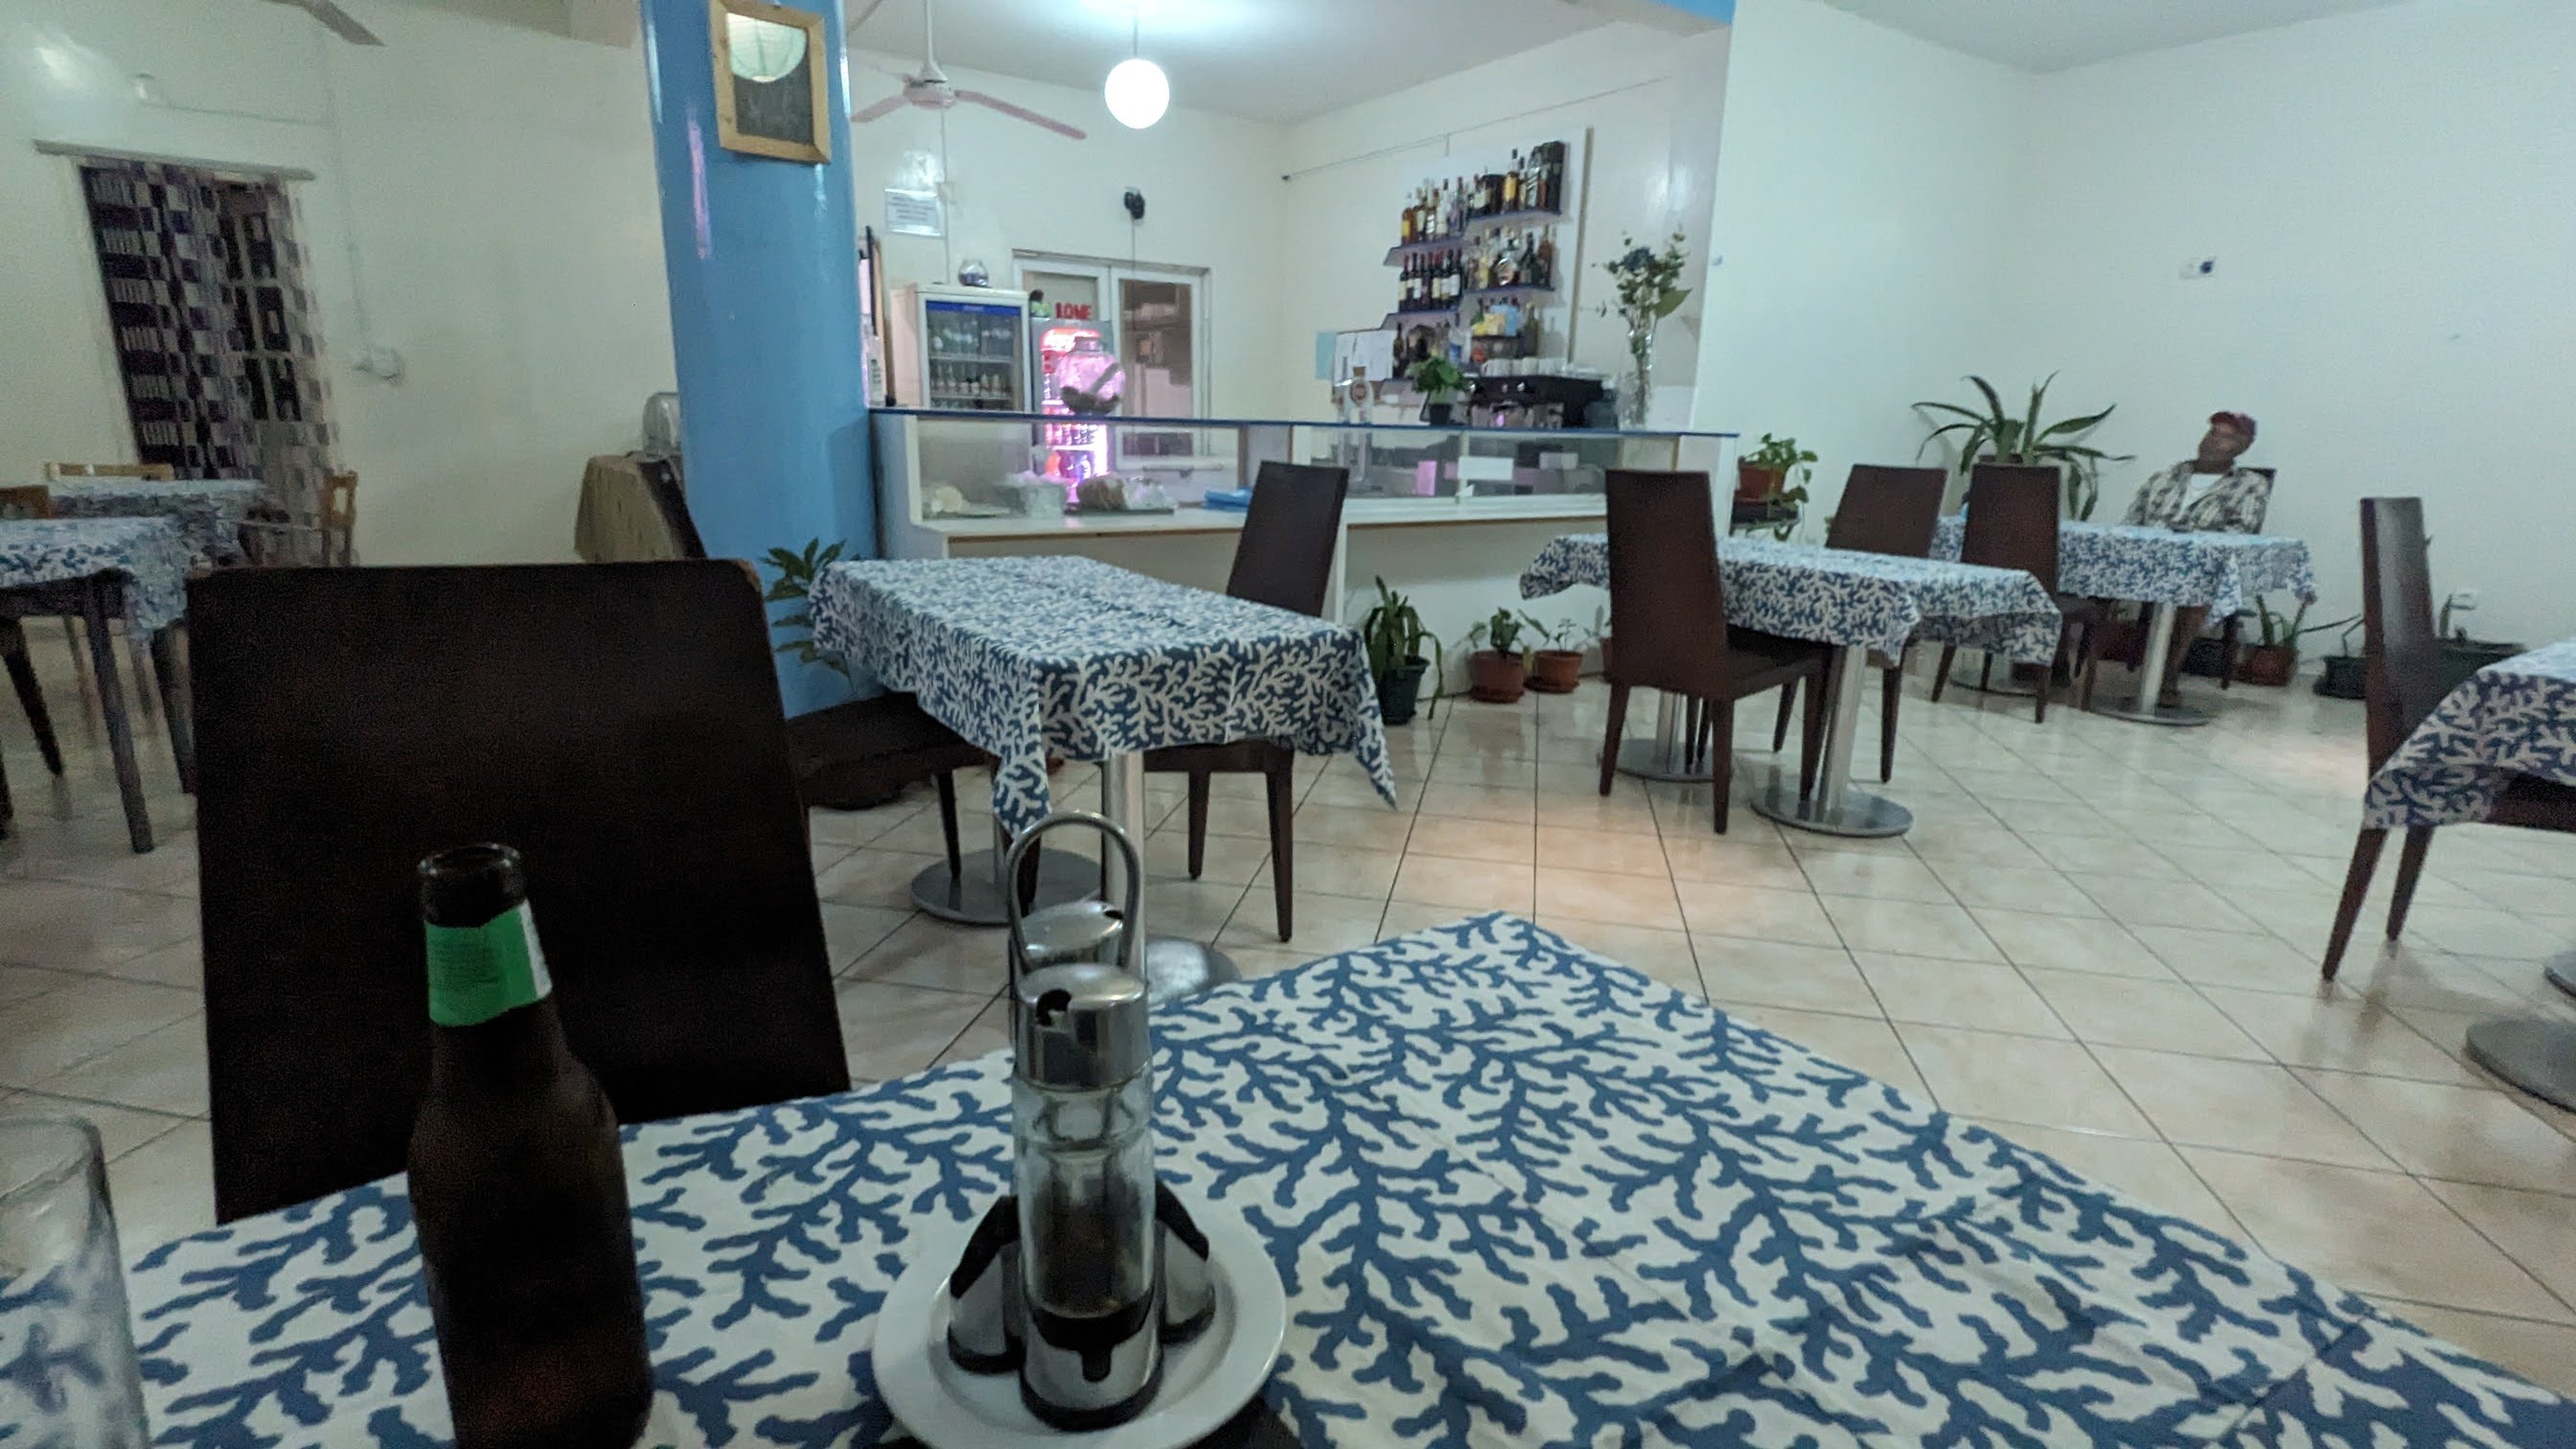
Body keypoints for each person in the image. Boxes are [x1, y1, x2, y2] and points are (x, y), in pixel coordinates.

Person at [2120, 412, 2270, 705]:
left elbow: (2242, 532)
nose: (2214, 441)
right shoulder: (2165, 477)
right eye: (2213, 433)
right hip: (2146, 564)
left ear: (2243, 447)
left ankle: (2165, 676)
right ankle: (2059, 668)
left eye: (2226, 437)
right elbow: (2130, 523)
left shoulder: (2250, 485)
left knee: (2197, 592)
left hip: (2200, 568)